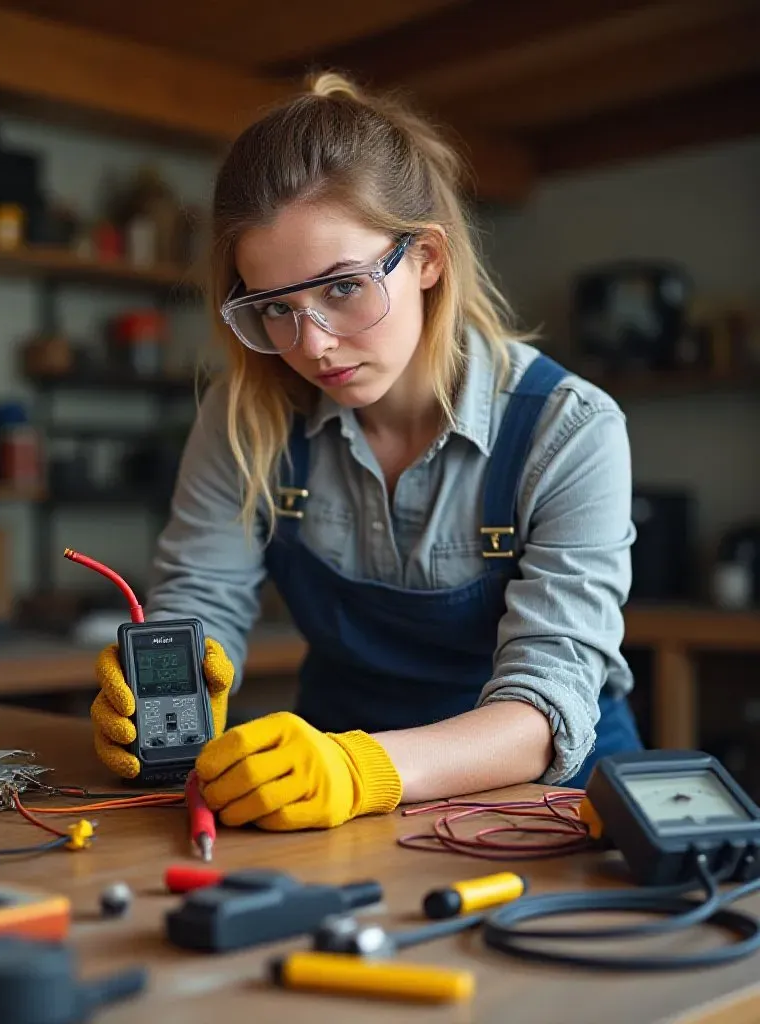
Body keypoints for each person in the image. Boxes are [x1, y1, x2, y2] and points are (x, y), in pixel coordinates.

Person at [90, 71, 644, 832]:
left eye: (342, 289)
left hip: (550, 809)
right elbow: (201, 605)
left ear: (426, 259)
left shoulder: (568, 429)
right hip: (340, 814)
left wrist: (363, 769)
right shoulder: (246, 416)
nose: (312, 344)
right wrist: (164, 696)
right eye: (275, 308)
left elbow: (546, 706)